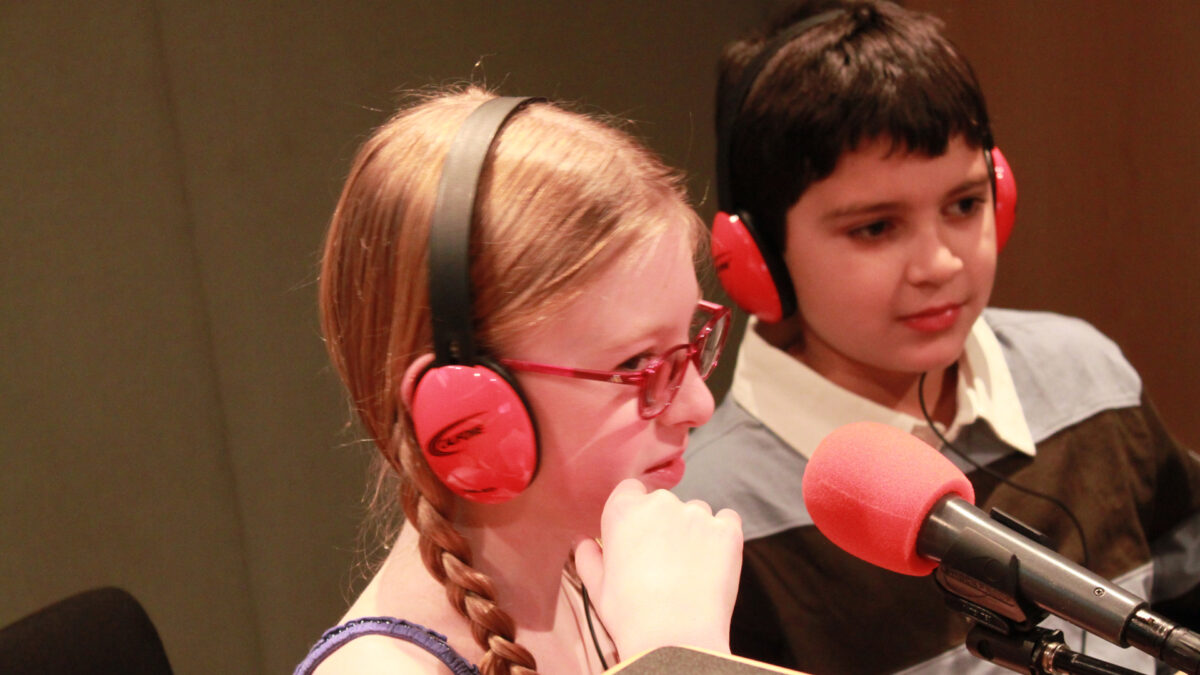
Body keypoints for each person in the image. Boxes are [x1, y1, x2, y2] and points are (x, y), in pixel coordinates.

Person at [672, 2, 1200, 673]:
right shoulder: (708, 518)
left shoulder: (1086, 375)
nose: (941, 265)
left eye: (964, 205)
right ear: (756, 258)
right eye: (875, 228)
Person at [295, 88, 743, 675]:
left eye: (691, 344)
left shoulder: (620, 585)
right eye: (637, 364)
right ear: (465, 408)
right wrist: (679, 658)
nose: (698, 404)